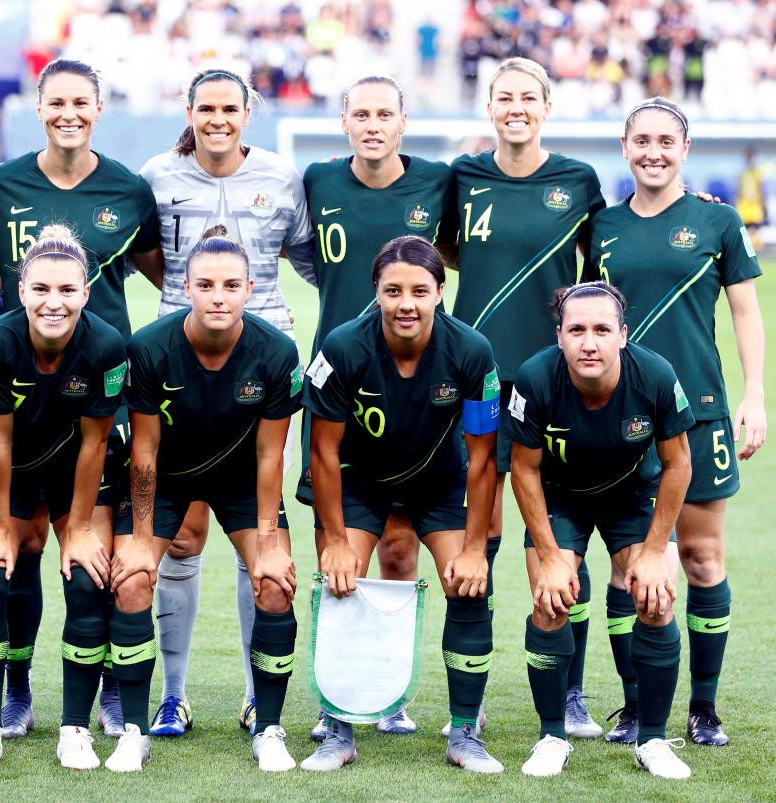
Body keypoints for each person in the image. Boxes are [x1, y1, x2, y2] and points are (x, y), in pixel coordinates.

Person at [0, 57, 163, 740]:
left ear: (100, 108)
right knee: (16, 547)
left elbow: (164, 274)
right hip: (21, 392)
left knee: (92, 550)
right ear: (39, 107)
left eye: (81, 101)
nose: (68, 112)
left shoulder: (129, 190)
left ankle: (107, 690)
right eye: (56, 102)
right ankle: (16, 687)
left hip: (98, 388)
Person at [135, 67, 316, 737]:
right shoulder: (157, 175)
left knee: (258, 538)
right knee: (180, 535)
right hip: (180, 363)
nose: (217, 118)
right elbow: (146, 253)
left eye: (228, 108)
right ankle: (173, 694)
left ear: (249, 111)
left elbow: (308, 258)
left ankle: (251, 695)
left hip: (263, 373)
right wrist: (193, 297)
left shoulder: (280, 176)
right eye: (205, 107)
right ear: (188, 109)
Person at [589, 97, 766, 747]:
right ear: (625, 145)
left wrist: (756, 395)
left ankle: (703, 707)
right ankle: (636, 706)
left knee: (699, 555)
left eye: (666, 140)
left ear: (684, 148)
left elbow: (745, 312)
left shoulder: (717, 222)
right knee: (626, 564)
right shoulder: (602, 227)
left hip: (700, 413)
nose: (653, 151)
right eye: (641, 140)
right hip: (617, 420)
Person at [443, 57, 607, 739]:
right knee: (477, 533)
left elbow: (603, 265)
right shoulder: (464, 177)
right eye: (503, 97)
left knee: (559, 541)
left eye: (528, 97)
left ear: (547, 106)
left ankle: (570, 690)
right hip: (477, 383)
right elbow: (446, 249)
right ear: (489, 108)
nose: (516, 107)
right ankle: (469, 696)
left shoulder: (578, 181)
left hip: (551, 386)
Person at [302, 235, 501, 774]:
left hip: (437, 486)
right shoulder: (343, 348)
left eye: (419, 290)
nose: (405, 303)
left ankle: (465, 733)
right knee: (340, 583)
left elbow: (483, 461)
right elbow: (322, 452)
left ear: (440, 291)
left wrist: (476, 549)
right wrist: (338, 542)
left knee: (468, 585)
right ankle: (336, 731)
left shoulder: (472, 352)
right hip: (360, 483)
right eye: (393, 291)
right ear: (377, 292)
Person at [111, 226, 305, 771]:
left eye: (230, 285)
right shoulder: (149, 348)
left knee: (274, 580)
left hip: (243, 479)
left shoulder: (276, 351)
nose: (218, 295)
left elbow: (271, 456)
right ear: (186, 288)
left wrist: (267, 541)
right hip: (170, 478)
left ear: (250, 288)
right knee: (130, 579)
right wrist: (142, 539)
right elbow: (144, 453)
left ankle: (267, 725)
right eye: (205, 284)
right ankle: (135, 728)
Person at [300, 74, 452, 739]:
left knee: (398, 547)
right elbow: (301, 252)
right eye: (359, 112)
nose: (371, 123)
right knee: (336, 546)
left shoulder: (440, 181)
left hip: (415, 383)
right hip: (340, 378)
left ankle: (388, 691)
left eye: (383, 113)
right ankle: (337, 696)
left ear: (403, 121)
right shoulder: (317, 180)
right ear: (343, 122)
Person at [508, 281, 695, 779]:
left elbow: (678, 465)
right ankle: (552, 734)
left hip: (633, 496)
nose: (589, 342)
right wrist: (549, 556)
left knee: (656, 599)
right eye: (577, 330)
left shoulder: (654, 375)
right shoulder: (535, 378)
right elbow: (523, 469)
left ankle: (653, 739)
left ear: (622, 335)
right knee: (550, 602)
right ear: (560, 336)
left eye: (601, 330)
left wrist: (654, 551)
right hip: (561, 496)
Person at [0, 224, 128, 771]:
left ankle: (76, 727)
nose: (53, 303)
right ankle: (0, 712)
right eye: (40, 290)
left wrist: (78, 526)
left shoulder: (105, 344)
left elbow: (95, 442)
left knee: (87, 576)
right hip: (10, 467)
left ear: (85, 291)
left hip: (78, 468)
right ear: (20, 289)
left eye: (66, 291)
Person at [735, 148, 765, 254]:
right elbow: (739, 189)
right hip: (744, 204)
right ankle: (748, 252)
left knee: (756, 228)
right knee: (744, 229)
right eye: (747, 156)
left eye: (750, 156)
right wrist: (737, 202)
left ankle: (758, 252)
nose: (749, 159)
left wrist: (762, 204)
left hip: (755, 204)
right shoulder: (742, 173)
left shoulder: (757, 173)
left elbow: (761, 189)